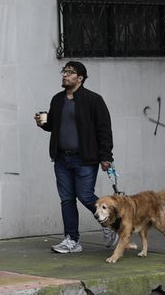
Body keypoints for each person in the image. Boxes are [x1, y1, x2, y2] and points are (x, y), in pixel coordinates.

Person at [34, 60, 117, 254]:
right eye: (64, 71)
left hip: (85, 158)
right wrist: (42, 123)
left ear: (80, 78)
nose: (65, 75)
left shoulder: (93, 100)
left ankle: (110, 221)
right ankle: (71, 240)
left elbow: (104, 130)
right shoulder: (57, 99)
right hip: (61, 158)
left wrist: (106, 157)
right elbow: (53, 125)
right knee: (67, 199)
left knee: (85, 195)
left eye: (70, 72)